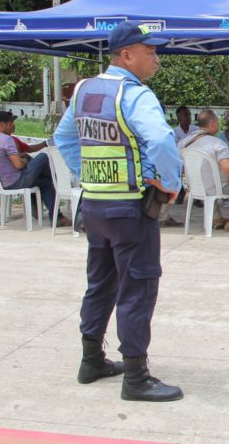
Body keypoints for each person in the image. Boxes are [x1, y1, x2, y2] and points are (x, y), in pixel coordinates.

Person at [53, 20, 184, 403]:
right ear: (126, 55)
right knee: (137, 289)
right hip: (130, 207)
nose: (156, 58)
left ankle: (91, 359)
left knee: (101, 284)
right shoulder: (135, 94)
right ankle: (136, 377)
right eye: (150, 51)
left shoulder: (84, 90)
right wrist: (167, 181)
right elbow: (160, 139)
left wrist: (88, 172)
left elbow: (63, 138)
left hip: (94, 204)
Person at [180, 109, 229, 231]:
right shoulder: (217, 143)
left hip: (195, 186)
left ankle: (216, 219)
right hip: (217, 187)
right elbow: (227, 167)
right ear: (212, 123)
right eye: (217, 121)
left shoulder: (183, 143)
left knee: (210, 182)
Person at [0, 110, 66, 226]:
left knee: (46, 182)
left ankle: (58, 217)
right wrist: (25, 160)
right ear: (2, 125)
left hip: (2, 182)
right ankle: (58, 182)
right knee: (44, 156)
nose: (13, 125)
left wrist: (22, 157)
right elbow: (18, 165)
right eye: (11, 123)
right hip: (16, 181)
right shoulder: (7, 140)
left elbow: (5, 158)